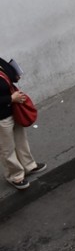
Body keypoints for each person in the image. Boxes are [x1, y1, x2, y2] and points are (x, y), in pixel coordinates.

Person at [0, 56, 45, 191]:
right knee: (7, 148)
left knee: (21, 141)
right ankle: (15, 176)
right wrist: (10, 98)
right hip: (2, 116)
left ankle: (29, 165)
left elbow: (8, 71)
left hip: (14, 110)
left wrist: (14, 76)